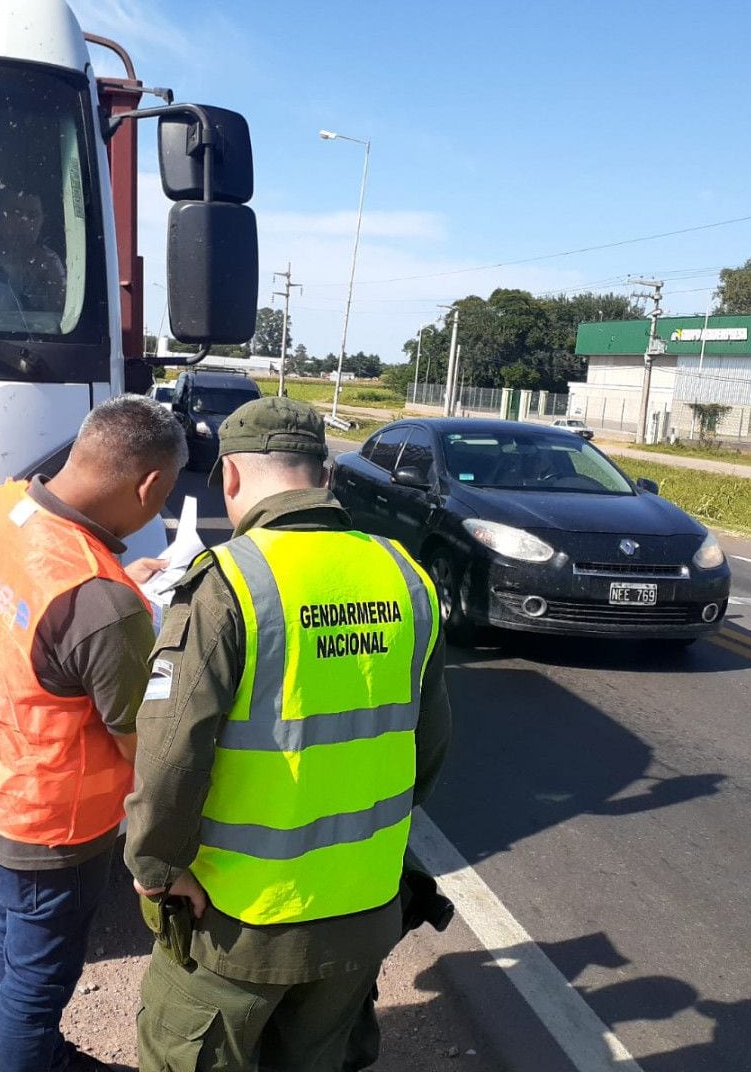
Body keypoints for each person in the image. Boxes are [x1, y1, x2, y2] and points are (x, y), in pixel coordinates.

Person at [123, 397, 452, 1072]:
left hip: (239, 921)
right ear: (325, 474)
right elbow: (430, 748)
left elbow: (169, 757)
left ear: (232, 479)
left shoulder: (228, 584)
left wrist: (156, 869)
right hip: (362, 908)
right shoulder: (407, 578)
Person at [0, 394, 185, 1072]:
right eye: (160, 499)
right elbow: (144, 743)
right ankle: (29, 1053)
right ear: (149, 485)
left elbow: (33, 610)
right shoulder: (100, 606)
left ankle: (40, 1053)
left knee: (16, 941)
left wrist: (117, 590)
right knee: (38, 984)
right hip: (51, 822)